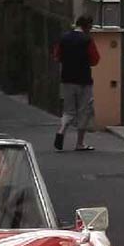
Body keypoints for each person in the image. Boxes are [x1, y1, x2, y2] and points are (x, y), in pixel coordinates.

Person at [53, 13, 99, 152]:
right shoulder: (87, 40)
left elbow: (56, 56)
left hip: (67, 79)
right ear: (87, 26)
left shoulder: (64, 38)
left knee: (68, 111)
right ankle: (80, 143)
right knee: (83, 111)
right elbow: (95, 60)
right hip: (84, 80)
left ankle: (61, 131)